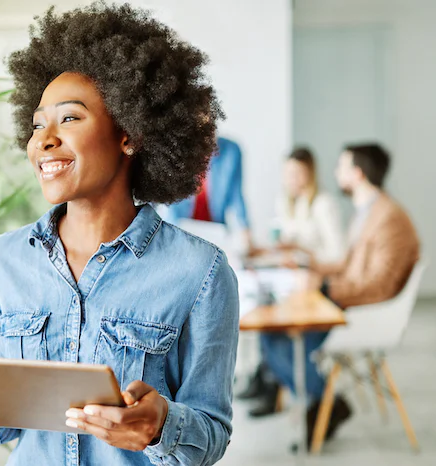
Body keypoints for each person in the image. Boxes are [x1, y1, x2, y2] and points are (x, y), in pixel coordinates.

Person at [0, 4, 239, 465]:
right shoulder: (4, 261)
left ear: (130, 134)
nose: (44, 140)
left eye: (70, 118)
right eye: (37, 124)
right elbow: (3, 429)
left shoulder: (201, 272)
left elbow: (211, 433)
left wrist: (160, 426)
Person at [259, 143, 419, 449]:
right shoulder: (369, 210)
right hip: (350, 303)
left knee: (279, 340)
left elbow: (380, 285)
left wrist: (325, 288)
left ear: (357, 174)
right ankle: (324, 404)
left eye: (341, 167)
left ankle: (327, 404)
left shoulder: (388, 218)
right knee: (273, 335)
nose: (335, 173)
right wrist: (311, 267)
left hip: (366, 314)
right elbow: (348, 265)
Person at [243, 147, 346, 417]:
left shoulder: (323, 204)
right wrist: (272, 250)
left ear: (310, 173)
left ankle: (324, 400)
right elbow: (287, 248)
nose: (292, 178)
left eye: (298, 173)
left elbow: (337, 256)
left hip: (318, 286)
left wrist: (305, 253)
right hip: (293, 281)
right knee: (266, 325)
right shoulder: (286, 202)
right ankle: (271, 385)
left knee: (277, 338)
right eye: (288, 173)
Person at [159, 136, 257, 254]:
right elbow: (162, 197)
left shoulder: (231, 151)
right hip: (180, 231)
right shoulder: (173, 150)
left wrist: (244, 230)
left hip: (215, 233)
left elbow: (236, 196)